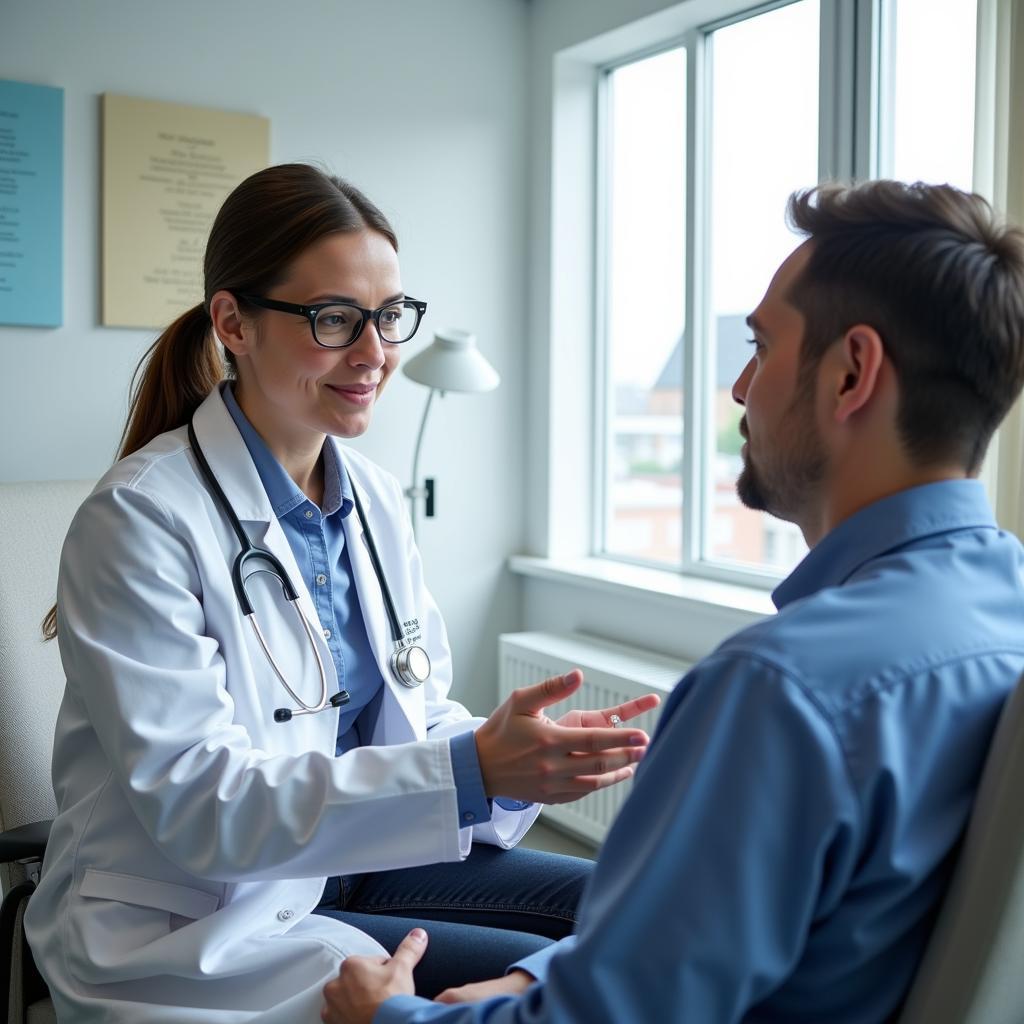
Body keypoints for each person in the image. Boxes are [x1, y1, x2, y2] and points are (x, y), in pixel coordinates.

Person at [321, 179, 1024, 1024]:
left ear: (850, 374)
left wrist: (389, 1018)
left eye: (761, 347)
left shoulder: (784, 689)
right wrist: (545, 979)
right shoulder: (1002, 605)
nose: (738, 388)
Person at [24, 163, 660, 1024]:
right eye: (335, 319)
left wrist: (515, 764)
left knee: (639, 906)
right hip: (195, 915)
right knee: (565, 985)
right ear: (232, 323)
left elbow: (413, 712)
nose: (375, 354)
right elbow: (196, 804)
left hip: (346, 859)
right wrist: (470, 771)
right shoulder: (138, 519)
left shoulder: (374, 498)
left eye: (390, 316)